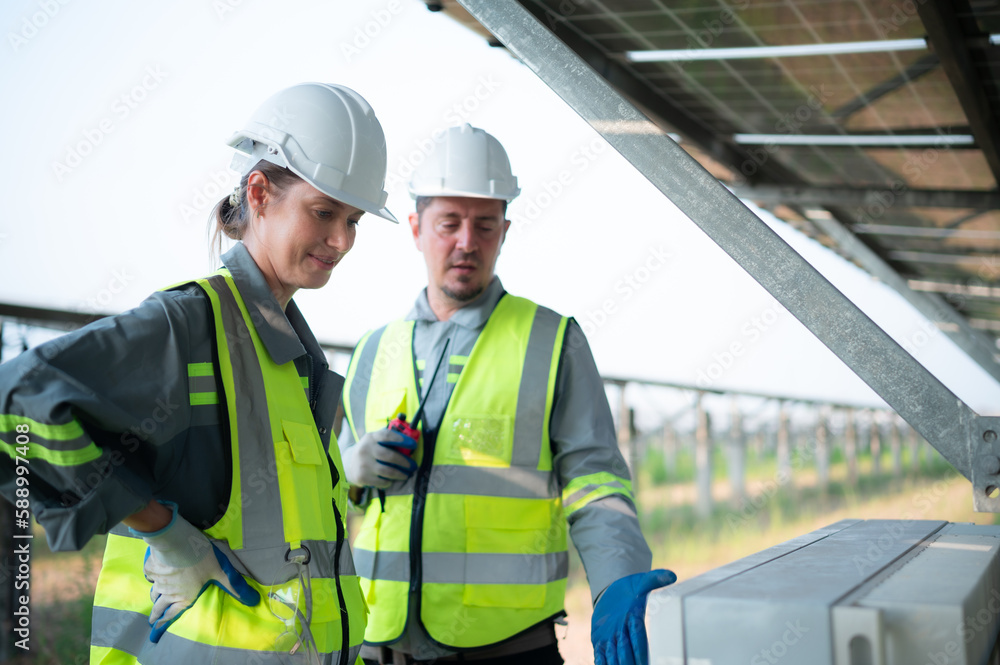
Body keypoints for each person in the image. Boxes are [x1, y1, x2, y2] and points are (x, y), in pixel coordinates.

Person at [0, 82, 396, 664]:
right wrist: (162, 531)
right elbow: (18, 401)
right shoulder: (190, 325)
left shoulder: (295, 358)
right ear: (260, 193)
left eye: (354, 219)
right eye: (323, 212)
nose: (342, 240)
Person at [338, 124, 675, 665]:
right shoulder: (374, 351)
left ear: (505, 231)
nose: (466, 241)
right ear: (416, 228)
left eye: (485, 225)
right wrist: (350, 471)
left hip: (509, 648)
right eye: (449, 223)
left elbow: (595, 479)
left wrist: (616, 578)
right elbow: (324, 484)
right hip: (381, 643)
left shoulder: (552, 341)